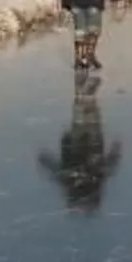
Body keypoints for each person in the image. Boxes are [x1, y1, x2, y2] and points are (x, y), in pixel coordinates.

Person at [37, 73, 123, 213]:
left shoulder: (78, 181)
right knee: (86, 124)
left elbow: (56, 171)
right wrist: (115, 151)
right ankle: (85, 96)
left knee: (85, 124)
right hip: (87, 148)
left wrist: (115, 151)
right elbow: (107, 167)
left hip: (81, 149)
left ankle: (85, 96)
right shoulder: (83, 180)